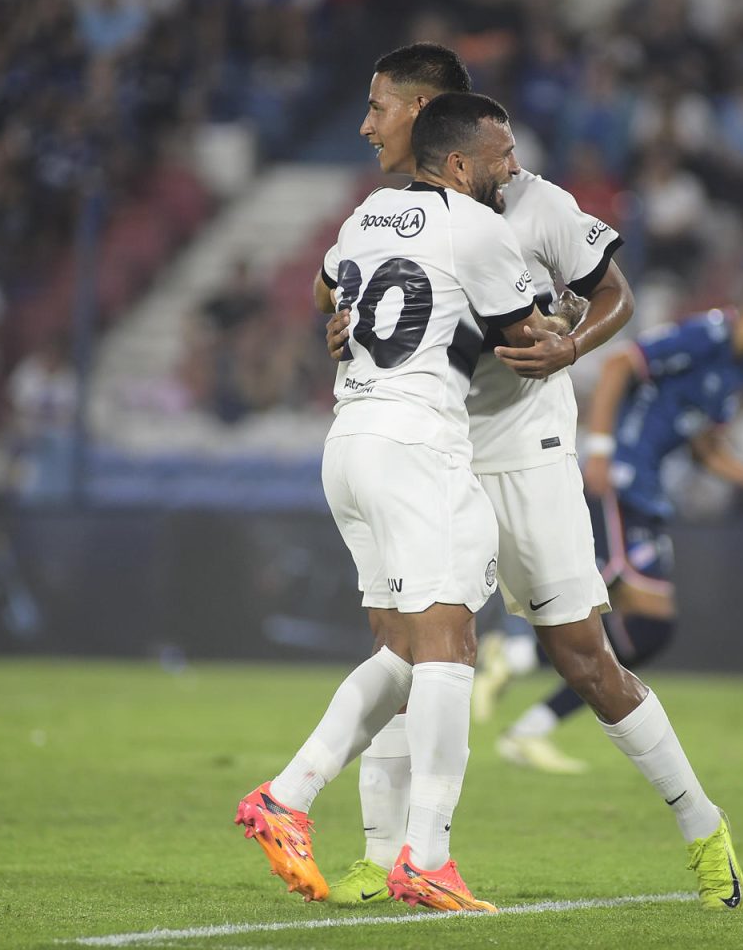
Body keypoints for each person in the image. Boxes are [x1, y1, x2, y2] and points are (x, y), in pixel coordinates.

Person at [321, 42, 743, 911]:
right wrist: (340, 323)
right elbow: (339, 293)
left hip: (525, 456)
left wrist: (569, 346)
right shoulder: (386, 213)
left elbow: (617, 294)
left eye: (380, 107)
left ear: (429, 114)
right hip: (431, 449)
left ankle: (704, 826)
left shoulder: (533, 201)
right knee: (404, 647)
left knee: (584, 658)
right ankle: (384, 856)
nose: (367, 124)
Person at [236, 92, 561, 913]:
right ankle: (426, 856)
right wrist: (571, 323)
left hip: (350, 444)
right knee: (450, 644)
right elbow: (528, 342)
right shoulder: (479, 228)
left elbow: (324, 296)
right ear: (458, 164)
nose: (509, 172)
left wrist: (342, 322)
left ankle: (289, 796)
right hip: (420, 446)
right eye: (498, 160)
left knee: (415, 652)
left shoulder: (365, 215)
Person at [497, 255, 743, 771]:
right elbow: (624, 362)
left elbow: (704, 446)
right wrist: (601, 448)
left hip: (646, 494)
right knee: (611, 615)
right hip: (621, 480)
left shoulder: (737, 368)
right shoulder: (710, 334)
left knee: (644, 630)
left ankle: (521, 698)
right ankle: (514, 690)